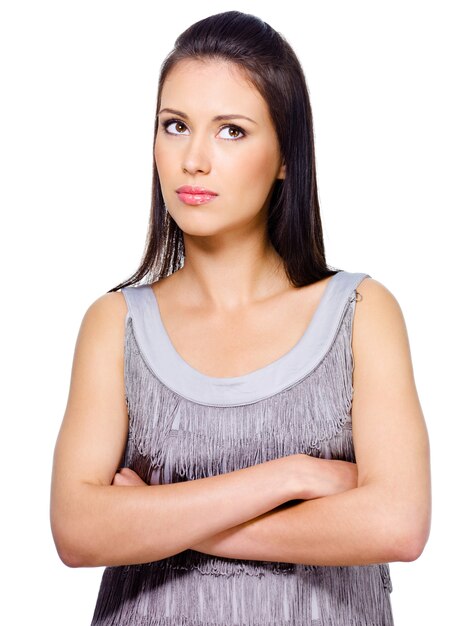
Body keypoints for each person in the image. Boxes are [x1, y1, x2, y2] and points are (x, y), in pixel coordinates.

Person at [50, 10, 431, 625]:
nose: (193, 159)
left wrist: (159, 521)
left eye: (231, 131)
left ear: (285, 157)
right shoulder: (114, 324)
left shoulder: (360, 314)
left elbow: (397, 523)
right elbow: (77, 531)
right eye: (175, 126)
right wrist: (291, 476)